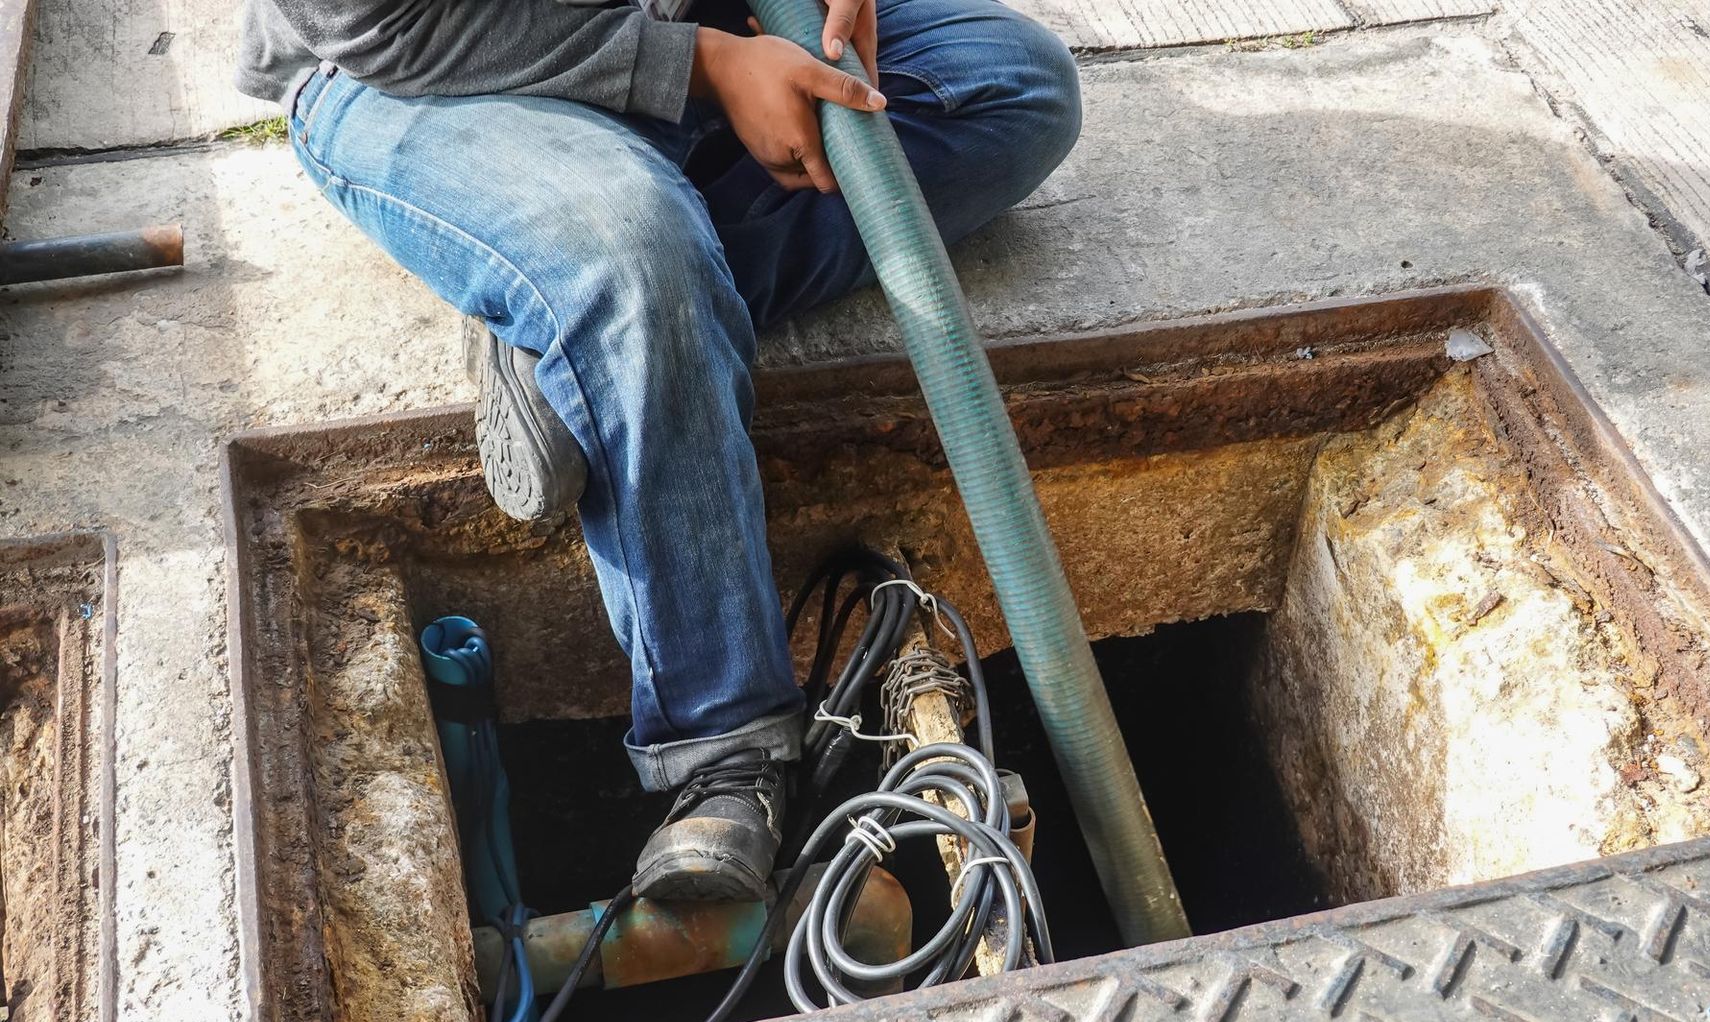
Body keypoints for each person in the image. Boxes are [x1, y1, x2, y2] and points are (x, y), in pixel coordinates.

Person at [233, 0, 1081, 903]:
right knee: (639, 251)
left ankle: (581, 332)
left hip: (680, 20)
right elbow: (380, 29)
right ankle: (724, 749)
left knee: (1015, 85)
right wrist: (703, 68)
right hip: (427, 73)